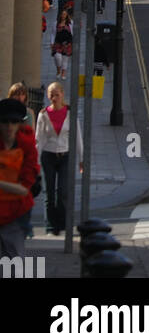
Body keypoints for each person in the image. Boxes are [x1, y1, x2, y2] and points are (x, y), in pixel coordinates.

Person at [35, 82, 83, 235]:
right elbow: (39, 140)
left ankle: (62, 224)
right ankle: (51, 226)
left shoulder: (70, 113)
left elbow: (78, 137)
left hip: (65, 156)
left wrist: (81, 159)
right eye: (51, 94)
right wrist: (35, 162)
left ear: (62, 94)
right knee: (49, 193)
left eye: (56, 94)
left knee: (62, 192)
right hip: (48, 156)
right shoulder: (43, 114)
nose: (54, 97)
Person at [0, 98, 39, 260]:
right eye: (5, 122)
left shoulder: (26, 146)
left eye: (14, 122)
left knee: (13, 259)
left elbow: (25, 187)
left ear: (19, 124)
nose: (9, 126)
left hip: (17, 210)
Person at [50, 10, 73, 80]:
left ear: (67, 15)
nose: (63, 16)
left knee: (65, 60)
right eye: (62, 14)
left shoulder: (70, 23)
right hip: (58, 43)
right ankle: (58, 70)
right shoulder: (56, 23)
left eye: (65, 14)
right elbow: (53, 33)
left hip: (67, 44)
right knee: (57, 57)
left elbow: (73, 33)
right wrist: (51, 42)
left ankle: (63, 73)